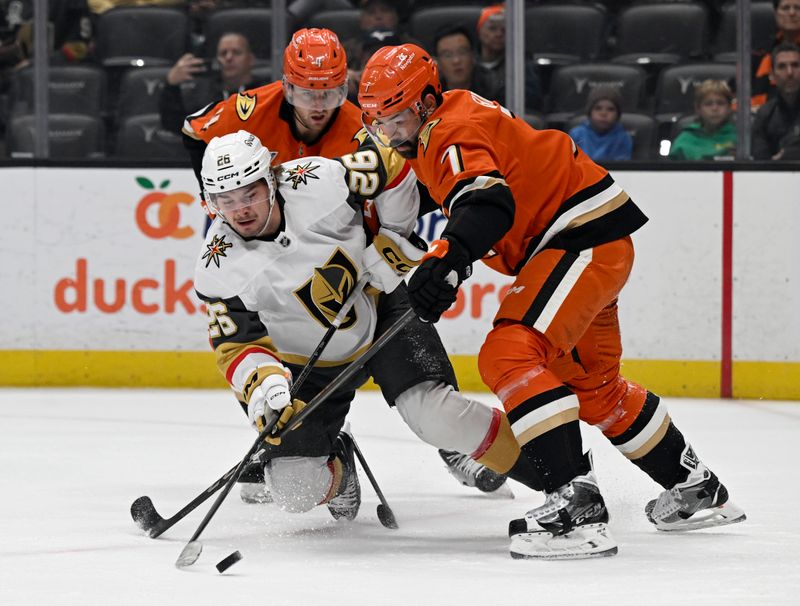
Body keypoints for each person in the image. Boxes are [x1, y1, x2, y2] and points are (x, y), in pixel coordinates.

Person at [358, 43, 746, 560]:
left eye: (399, 118)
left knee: (509, 353)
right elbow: (466, 194)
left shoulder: (447, 131)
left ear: (427, 102)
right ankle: (696, 488)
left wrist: (446, 260)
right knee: (595, 388)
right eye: (380, 123)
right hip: (592, 239)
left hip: (576, 238)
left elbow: (488, 202)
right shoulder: (448, 120)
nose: (391, 133)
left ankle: (575, 503)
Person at [183, 28, 531, 502]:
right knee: (290, 490)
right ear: (286, 87)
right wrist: (263, 389)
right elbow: (235, 342)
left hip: (368, 281)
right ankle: (333, 461)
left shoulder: (338, 156)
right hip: (312, 347)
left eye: (331, 90)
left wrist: (390, 243)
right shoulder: (219, 262)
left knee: (435, 413)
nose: (320, 102)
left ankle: (538, 469)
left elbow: (398, 170)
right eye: (308, 91)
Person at [159, 31, 268, 133]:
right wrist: (171, 85)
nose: (229, 57)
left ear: (251, 59)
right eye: (223, 53)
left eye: (236, 52)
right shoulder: (203, 94)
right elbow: (175, 125)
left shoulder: (264, 93)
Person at [752, 41, 800, 159]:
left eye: (795, 65)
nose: (789, 73)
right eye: (782, 66)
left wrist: (789, 155)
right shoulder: (764, 115)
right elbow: (761, 164)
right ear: (772, 75)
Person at [433, 24, 502, 105]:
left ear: (473, 56)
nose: (456, 60)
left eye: (462, 52)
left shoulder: (495, 88)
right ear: (438, 62)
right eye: (447, 55)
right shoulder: (433, 95)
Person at [668, 79, 736, 161]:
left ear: (729, 108)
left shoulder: (739, 137)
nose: (715, 108)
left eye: (720, 103)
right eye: (708, 104)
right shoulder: (685, 140)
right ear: (698, 109)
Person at [752, 0, 800, 110]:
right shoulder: (760, 52)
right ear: (776, 14)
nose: (792, 13)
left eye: (798, 8)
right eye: (786, 8)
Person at [568, 85, 633, 162]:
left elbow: (623, 167)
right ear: (589, 112)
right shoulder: (577, 134)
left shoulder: (623, 137)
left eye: (610, 109)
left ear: (618, 115)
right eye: (598, 108)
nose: (603, 113)